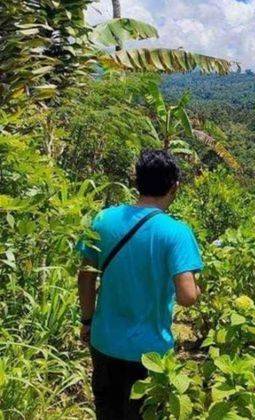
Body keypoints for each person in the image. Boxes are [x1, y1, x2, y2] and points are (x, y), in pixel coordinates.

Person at [76, 150, 203, 419]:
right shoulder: (177, 232)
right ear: (174, 187)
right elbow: (188, 296)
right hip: (149, 354)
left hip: (104, 342)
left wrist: (87, 320)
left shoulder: (104, 219)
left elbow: (86, 274)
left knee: (107, 411)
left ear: (137, 182)